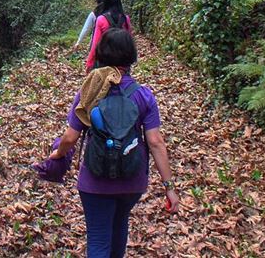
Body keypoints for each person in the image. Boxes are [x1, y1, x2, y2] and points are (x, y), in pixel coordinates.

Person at [49, 29, 180, 257]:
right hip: (132, 179)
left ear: (102, 55)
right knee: (119, 227)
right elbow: (156, 142)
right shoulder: (144, 96)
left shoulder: (90, 91)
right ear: (131, 57)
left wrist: (58, 154)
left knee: (99, 239)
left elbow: (71, 137)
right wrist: (169, 188)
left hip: (95, 181)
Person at [85, 0, 131, 73]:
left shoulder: (101, 19)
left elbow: (96, 43)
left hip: (105, 60)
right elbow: (129, 40)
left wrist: (90, 62)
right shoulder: (125, 18)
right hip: (122, 61)